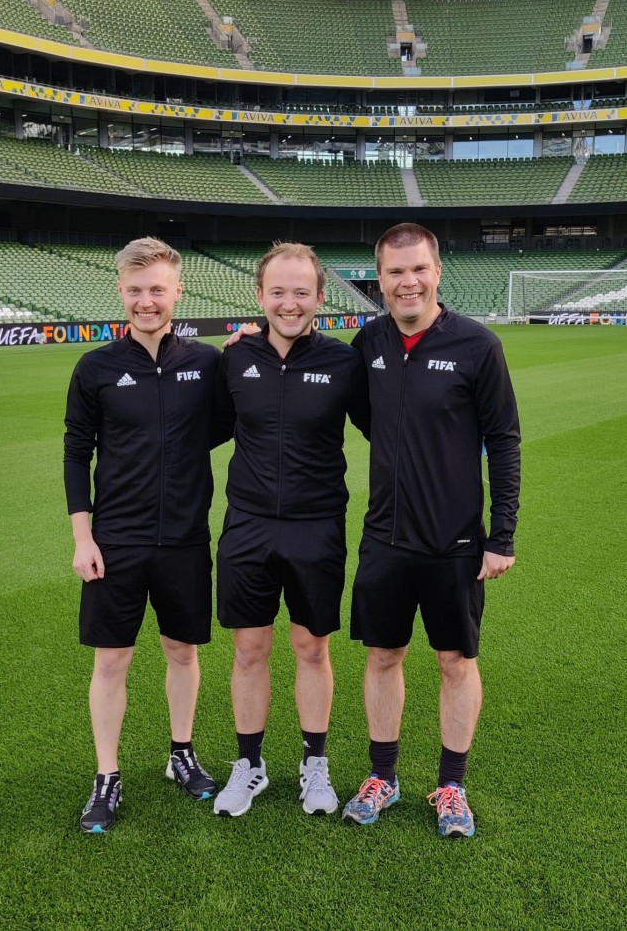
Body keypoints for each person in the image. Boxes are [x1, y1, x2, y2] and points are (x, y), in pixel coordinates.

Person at [341, 222, 520, 837]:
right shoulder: (369, 343)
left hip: (455, 543)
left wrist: (502, 535)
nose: (407, 281)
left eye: (418, 269)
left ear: (437, 271)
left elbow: (503, 440)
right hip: (385, 539)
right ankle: (382, 776)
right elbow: (367, 415)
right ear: (380, 278)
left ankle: (451, 785)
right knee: (383, 655)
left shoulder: (477, 345)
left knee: (455, 661)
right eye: (395, 272)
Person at [64, 237, 226, 833]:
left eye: (157, 289)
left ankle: (180, 753)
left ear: (177, 290)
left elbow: (229, 421)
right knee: (113, 660)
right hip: (117, 540)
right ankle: (107, 776)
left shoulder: (207, 363)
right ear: (121, 293)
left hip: (184, 538)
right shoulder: (97, 368)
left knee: (182, 651)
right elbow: (76, 452)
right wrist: (84, 537)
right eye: (135, 290)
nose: (146, 300)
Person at [212, 242, 370, 818]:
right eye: (278, 291)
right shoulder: (233, 358)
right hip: (247, 526)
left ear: (320, 298)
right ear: (260, 296)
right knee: (250, 650)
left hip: (316, 528)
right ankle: (249, 766)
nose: (289, 302)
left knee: (311, 647)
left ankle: (315, 765)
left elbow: (391, 429)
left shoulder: (343, 363)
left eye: (301, 291)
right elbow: (198, 430)